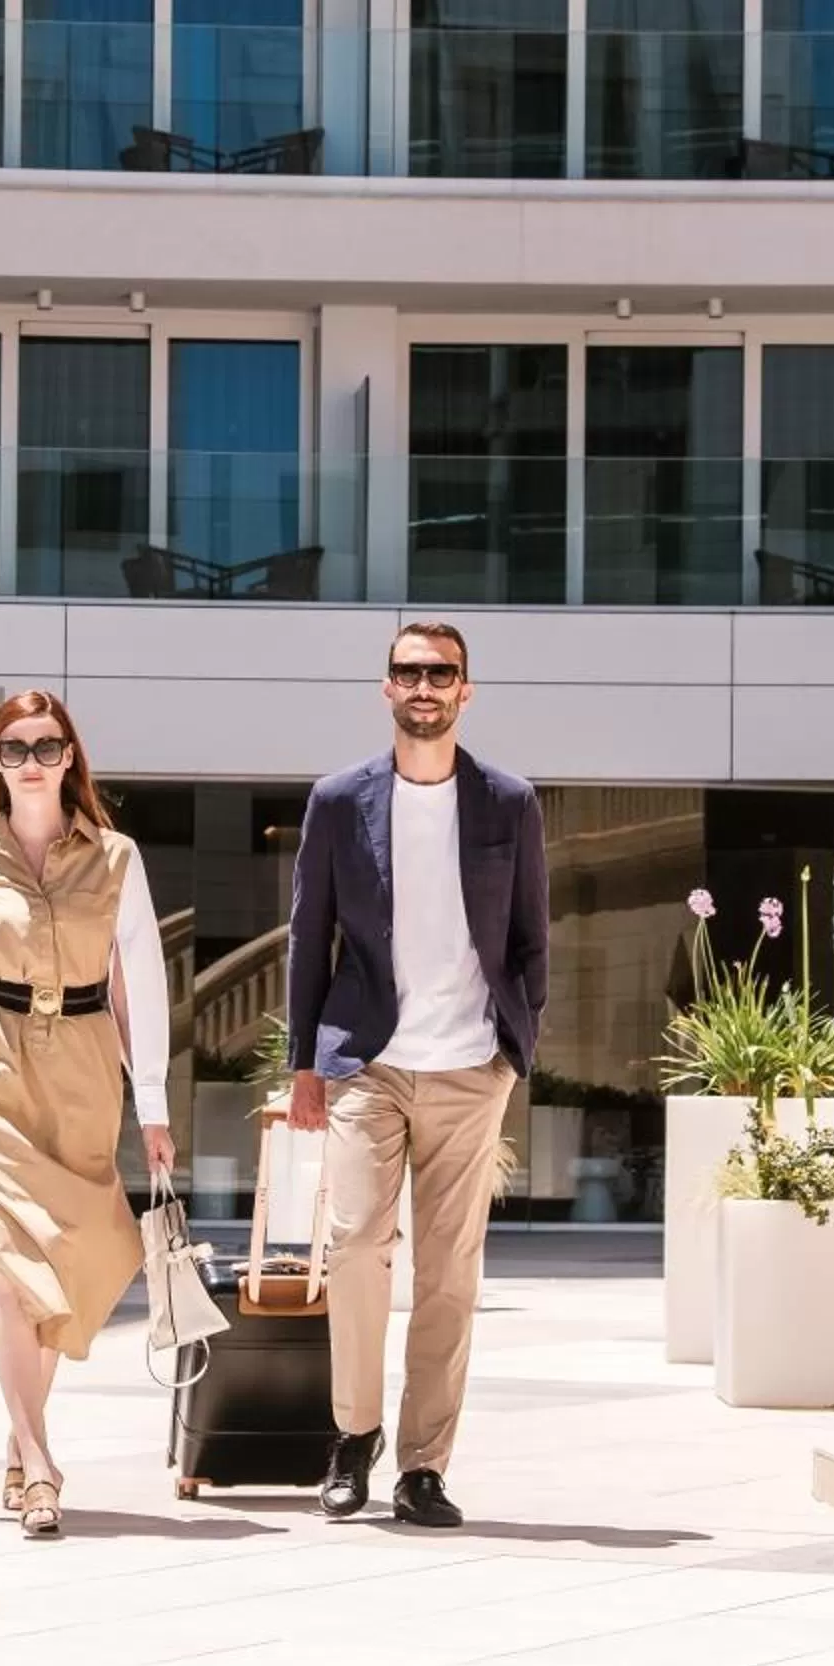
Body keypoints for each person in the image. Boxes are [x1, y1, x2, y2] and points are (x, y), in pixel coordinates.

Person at [285, 624, 548, 1527]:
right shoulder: (336, 800)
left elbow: (531, 938)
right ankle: (353, 1437)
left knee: (448, 1276)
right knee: (355, 1248)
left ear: (466, 691)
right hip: (369, 1061)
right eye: (409, 672)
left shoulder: (508, 802)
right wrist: (302, 1068)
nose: (424, 686)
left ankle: (423, 1467)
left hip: (472, 1067)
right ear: (386, 688)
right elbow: (306, 931)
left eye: (441, 673)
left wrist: (517, 1050)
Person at [0, 691, 174, 1538]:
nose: (31, 760)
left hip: (86, 1062)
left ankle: (18, 1435)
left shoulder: (117, 858)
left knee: (64, 1262)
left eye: (47, 746)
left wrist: (154, 1105)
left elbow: (141, 983)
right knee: (5, 1260)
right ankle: (38, 1461)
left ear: (71, 757)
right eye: (14, 747)